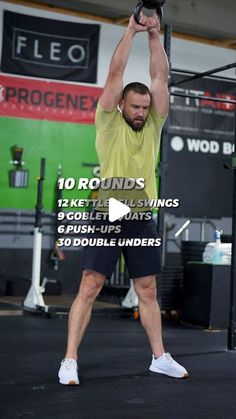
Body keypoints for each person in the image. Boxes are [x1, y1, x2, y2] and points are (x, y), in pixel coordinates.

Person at [58, 13, 189, 385]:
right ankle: (70, 360)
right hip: (109, 209)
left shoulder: (152, 125)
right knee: (90, 283)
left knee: (146, 288)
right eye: (135, 107)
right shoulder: (108, 120)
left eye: (145, 108)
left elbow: (160, 78)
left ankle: (159, 357)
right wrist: (131, 29)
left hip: (141, 212)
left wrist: (154, 36)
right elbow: (115, 76)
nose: (141, 113)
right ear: (121, 106)